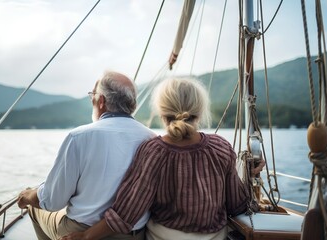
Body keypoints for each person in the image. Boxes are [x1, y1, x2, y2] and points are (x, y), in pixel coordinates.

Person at [62, 77, 265, 240]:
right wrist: (248, 174)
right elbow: (238, 205)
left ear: (161, 111)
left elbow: (126, 214)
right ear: (200, 111)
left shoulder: (154, 151)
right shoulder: (220, 147)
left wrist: (86, 235)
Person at [17, 71, 156, 240]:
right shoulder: (152, 139)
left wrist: (29, 196)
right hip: (134, 234)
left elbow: (52, 201)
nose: (92, 99)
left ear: (101, 101)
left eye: (93, 95)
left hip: (81, 231)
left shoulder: (79, 137)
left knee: (34, 207)